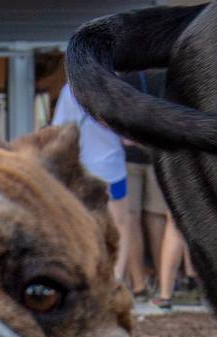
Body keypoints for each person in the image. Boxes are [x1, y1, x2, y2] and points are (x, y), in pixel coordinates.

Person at [50, 84, 146, 294]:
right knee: (120, 224)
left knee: (82, 224)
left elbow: (58, 130)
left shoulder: (71, 89)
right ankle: (115, 278)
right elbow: (128, 137)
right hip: (112, 169)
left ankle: (85, 277)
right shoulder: (115, 88)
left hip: (80, 169)